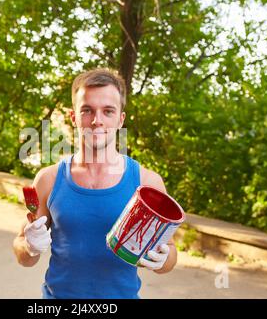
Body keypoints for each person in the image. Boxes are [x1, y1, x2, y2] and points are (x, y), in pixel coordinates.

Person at [13, 68, 177, 299]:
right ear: (73, 117)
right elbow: (23, 255)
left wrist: (161, 259)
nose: (97, 120)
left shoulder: (147, 183)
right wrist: (29, 246)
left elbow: (169, 256)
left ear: (120, 119)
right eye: (87, 110)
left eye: (108, 111)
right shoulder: (48, 179)